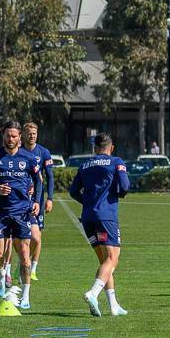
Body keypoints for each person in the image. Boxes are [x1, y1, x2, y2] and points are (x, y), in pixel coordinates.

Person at [0, 121, 44, 308]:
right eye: (7, 135)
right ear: (3, 136)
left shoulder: (28, 158)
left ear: (19, 137)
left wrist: (37, 201)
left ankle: (26, 297)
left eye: (14, 136)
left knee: (24, 254)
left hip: (22, 213)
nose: (10, 139)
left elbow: (38, 181)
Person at [68, 133, 130, 317]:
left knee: (105, 262)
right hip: (106, 217)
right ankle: (93, 293)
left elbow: (73, 191)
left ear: (95, 148)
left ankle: (113, 305)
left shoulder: (85, 164)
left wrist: (87, 201)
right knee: (112, 259)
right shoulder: (116, 161)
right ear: (112, 148)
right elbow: (125, 186)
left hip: (87, 218)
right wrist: (117, 195)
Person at [21, 121, 55, 282]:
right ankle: (22, 264)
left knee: (36, 237)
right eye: (29, 133)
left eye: (34, 133)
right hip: (20, 199)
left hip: (37, 200)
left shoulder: (43, 152)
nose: (32, 136)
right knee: (18, 237)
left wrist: (49, 198)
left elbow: (49, 177)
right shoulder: (18, 151)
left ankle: (32, 268)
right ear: (23, 134)